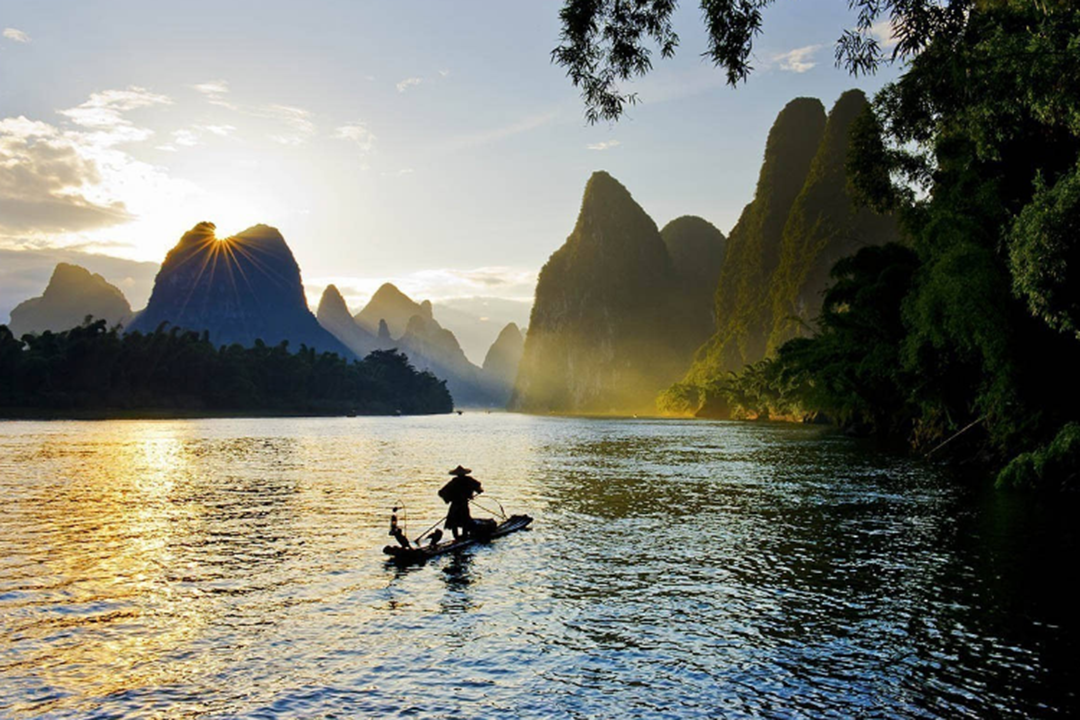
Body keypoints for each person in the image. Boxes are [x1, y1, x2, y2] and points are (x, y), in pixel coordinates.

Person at [439, 465, 483, 540]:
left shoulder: (454, 482)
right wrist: (476, 492)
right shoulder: (468, 480)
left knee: (455, 520)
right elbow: (479, 488)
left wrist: (448, 499)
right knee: (464, 519)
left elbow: (441, 492)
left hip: (455, 505)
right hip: (462, 504)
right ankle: (463, 536)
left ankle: (457, 537)